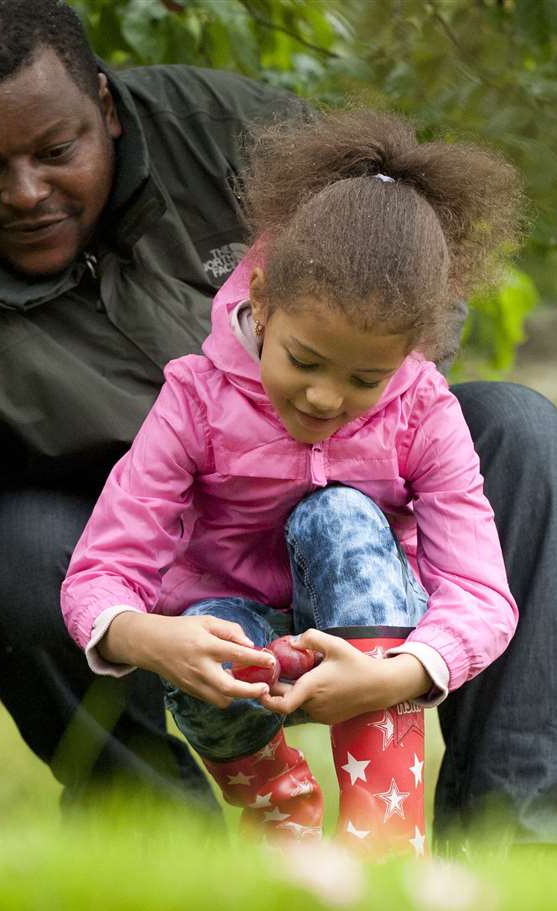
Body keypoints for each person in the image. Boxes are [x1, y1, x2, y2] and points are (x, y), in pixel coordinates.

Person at [0, 0, 557, 852]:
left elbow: (398, 274)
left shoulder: (231, 134)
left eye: (57, 151)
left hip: (367, 523)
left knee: (525, 432)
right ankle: (165, 845)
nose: (27, 191)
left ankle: (522, 843)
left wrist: (354, 489)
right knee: (26, 543)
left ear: (105, 109)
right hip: (164, 574)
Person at [61, 110, 523, 856]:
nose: (324, 399)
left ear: (411, 353)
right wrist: (150, 638)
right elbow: (101, 571)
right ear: (265, 300)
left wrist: (399, 675)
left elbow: (482, 593)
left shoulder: (424, 411)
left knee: (340, 516)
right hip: (243, 657)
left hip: (371, 645)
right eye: (304, 361)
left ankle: (383, 839)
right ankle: (284, 825)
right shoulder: (196, 400)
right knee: (203, 617)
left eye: (365, 378)